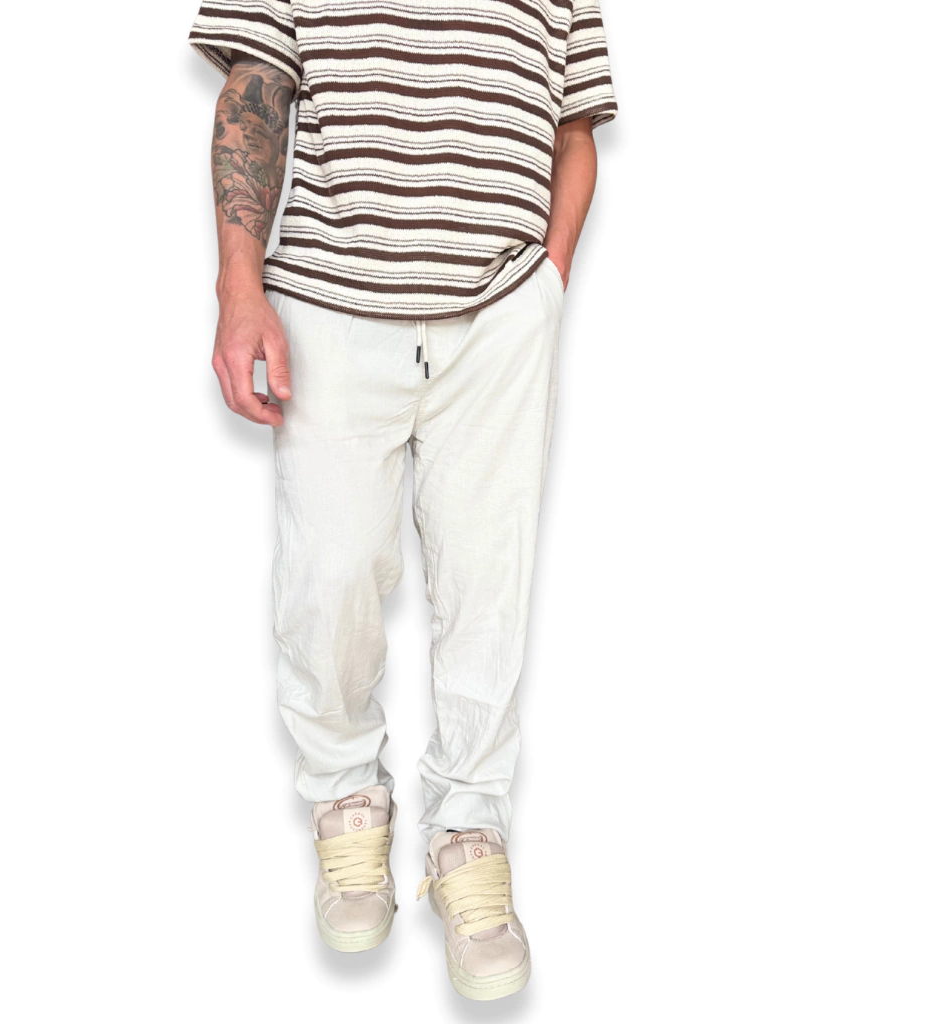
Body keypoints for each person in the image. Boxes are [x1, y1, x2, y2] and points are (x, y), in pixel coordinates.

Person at [190, 0, 616, 1000]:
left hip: (500, 317)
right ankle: (346, 798)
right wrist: (239, 289)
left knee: (488, 583)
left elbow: (574, 126)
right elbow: (254, 88)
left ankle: (470, 829)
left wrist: (546, 285)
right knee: (329, 576)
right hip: (330, 304)